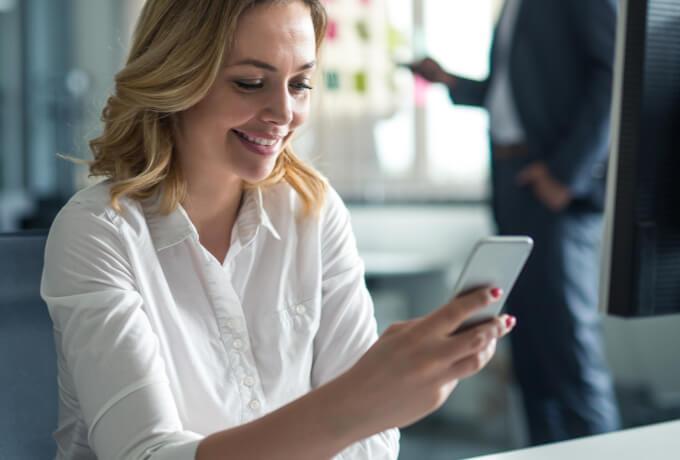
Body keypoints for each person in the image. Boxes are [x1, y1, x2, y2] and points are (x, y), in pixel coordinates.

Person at [40, 1, 517, 459]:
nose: (284, 112)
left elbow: (369, 446)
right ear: (178, 77)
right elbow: (146, 455)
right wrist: (361, 403)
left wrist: (371, 403)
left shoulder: (313, 209)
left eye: (301, 84)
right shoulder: (98, 232)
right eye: (250, 83)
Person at [408, 0, 621, 445]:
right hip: (514, 181)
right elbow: (511, 93)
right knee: (530, 352)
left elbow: (614, 76)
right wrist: (448, 81)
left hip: (554, 187)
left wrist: (565, 174)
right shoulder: (514, 7)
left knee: (567, 352)